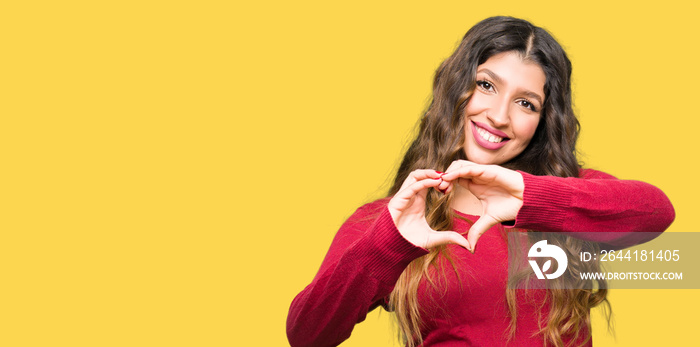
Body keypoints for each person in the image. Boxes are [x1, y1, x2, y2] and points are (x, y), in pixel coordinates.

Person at [286, 16, 675, 347]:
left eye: (526, 103)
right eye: (486, 85)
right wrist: (388, 243)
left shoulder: (565, 195)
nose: (499, 116)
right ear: (456, 88)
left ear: (542, 121)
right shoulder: (388, 220)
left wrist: (530, 196)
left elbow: (657, 211)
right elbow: (307, 334)